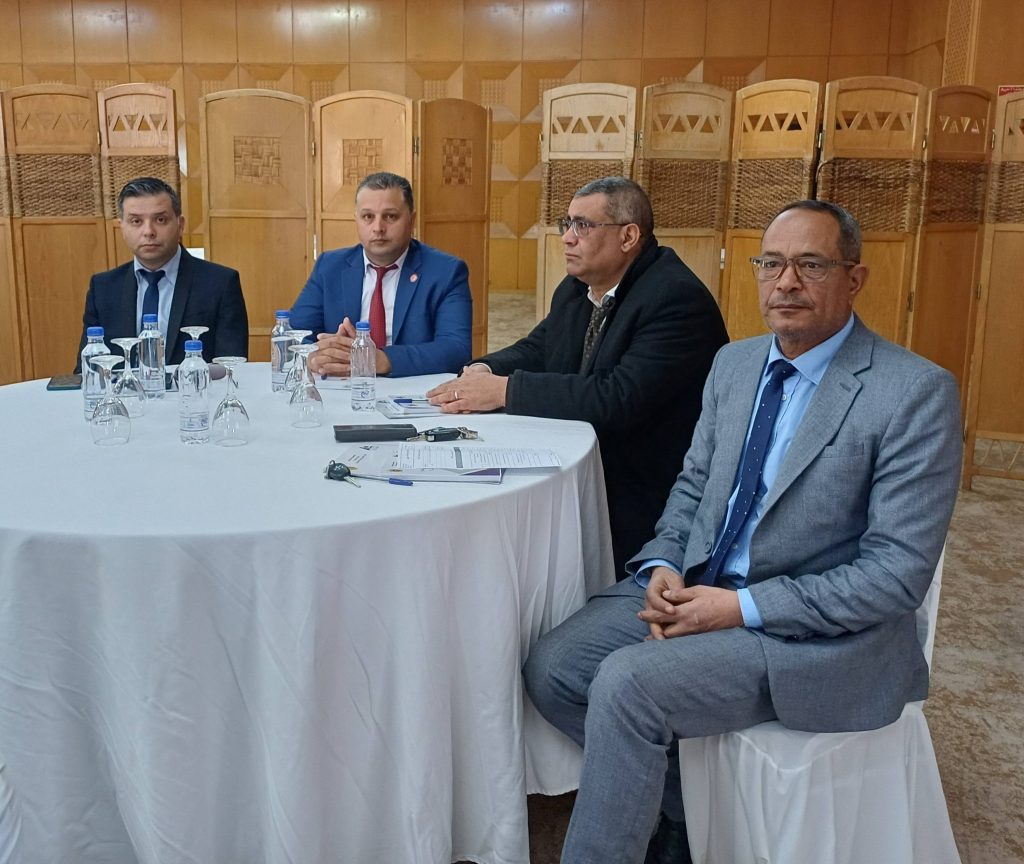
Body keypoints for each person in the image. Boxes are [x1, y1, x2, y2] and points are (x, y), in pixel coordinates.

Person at [521, 200, 963, 864]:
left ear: (855, 278)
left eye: (811, 265)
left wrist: (738, 609)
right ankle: (683, 811)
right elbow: (693, 486)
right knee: (556, 667)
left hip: (810, 634)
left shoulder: (913, 392)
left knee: (627, 684)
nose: (787, 283)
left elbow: (894, 576)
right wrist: (665, 564)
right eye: (772, 264)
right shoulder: (735, 364)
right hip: (701, 583)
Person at [427, 176, 727, 578]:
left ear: (628, 236)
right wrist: (485, 369)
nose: (567, 238)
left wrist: (505, 391)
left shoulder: (674, 298)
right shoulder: (577, 287)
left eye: (582, 225)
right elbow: (539, 348)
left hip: (645, 490)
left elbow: (616, 398)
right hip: (589, 462)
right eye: (566, 223)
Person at [289, 171, 472, 378]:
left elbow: (457, 349)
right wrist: (314, 355)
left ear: (411, 220)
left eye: (390, 216)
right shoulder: (330, 266)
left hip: (411, 387)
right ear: (356, 220)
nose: (378, 228)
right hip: (343, 385)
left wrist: (383, 360)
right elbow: (294, 333)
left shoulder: (446, 272)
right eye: (368, 217)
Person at [76, 177, 249, 369]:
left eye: (160, 220)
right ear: (122, 227)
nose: (148, 231)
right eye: (136, 221)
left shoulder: (220, 283)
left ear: (180, 225)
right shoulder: (103, 288)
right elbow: (86, 370)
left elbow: (232, 368)